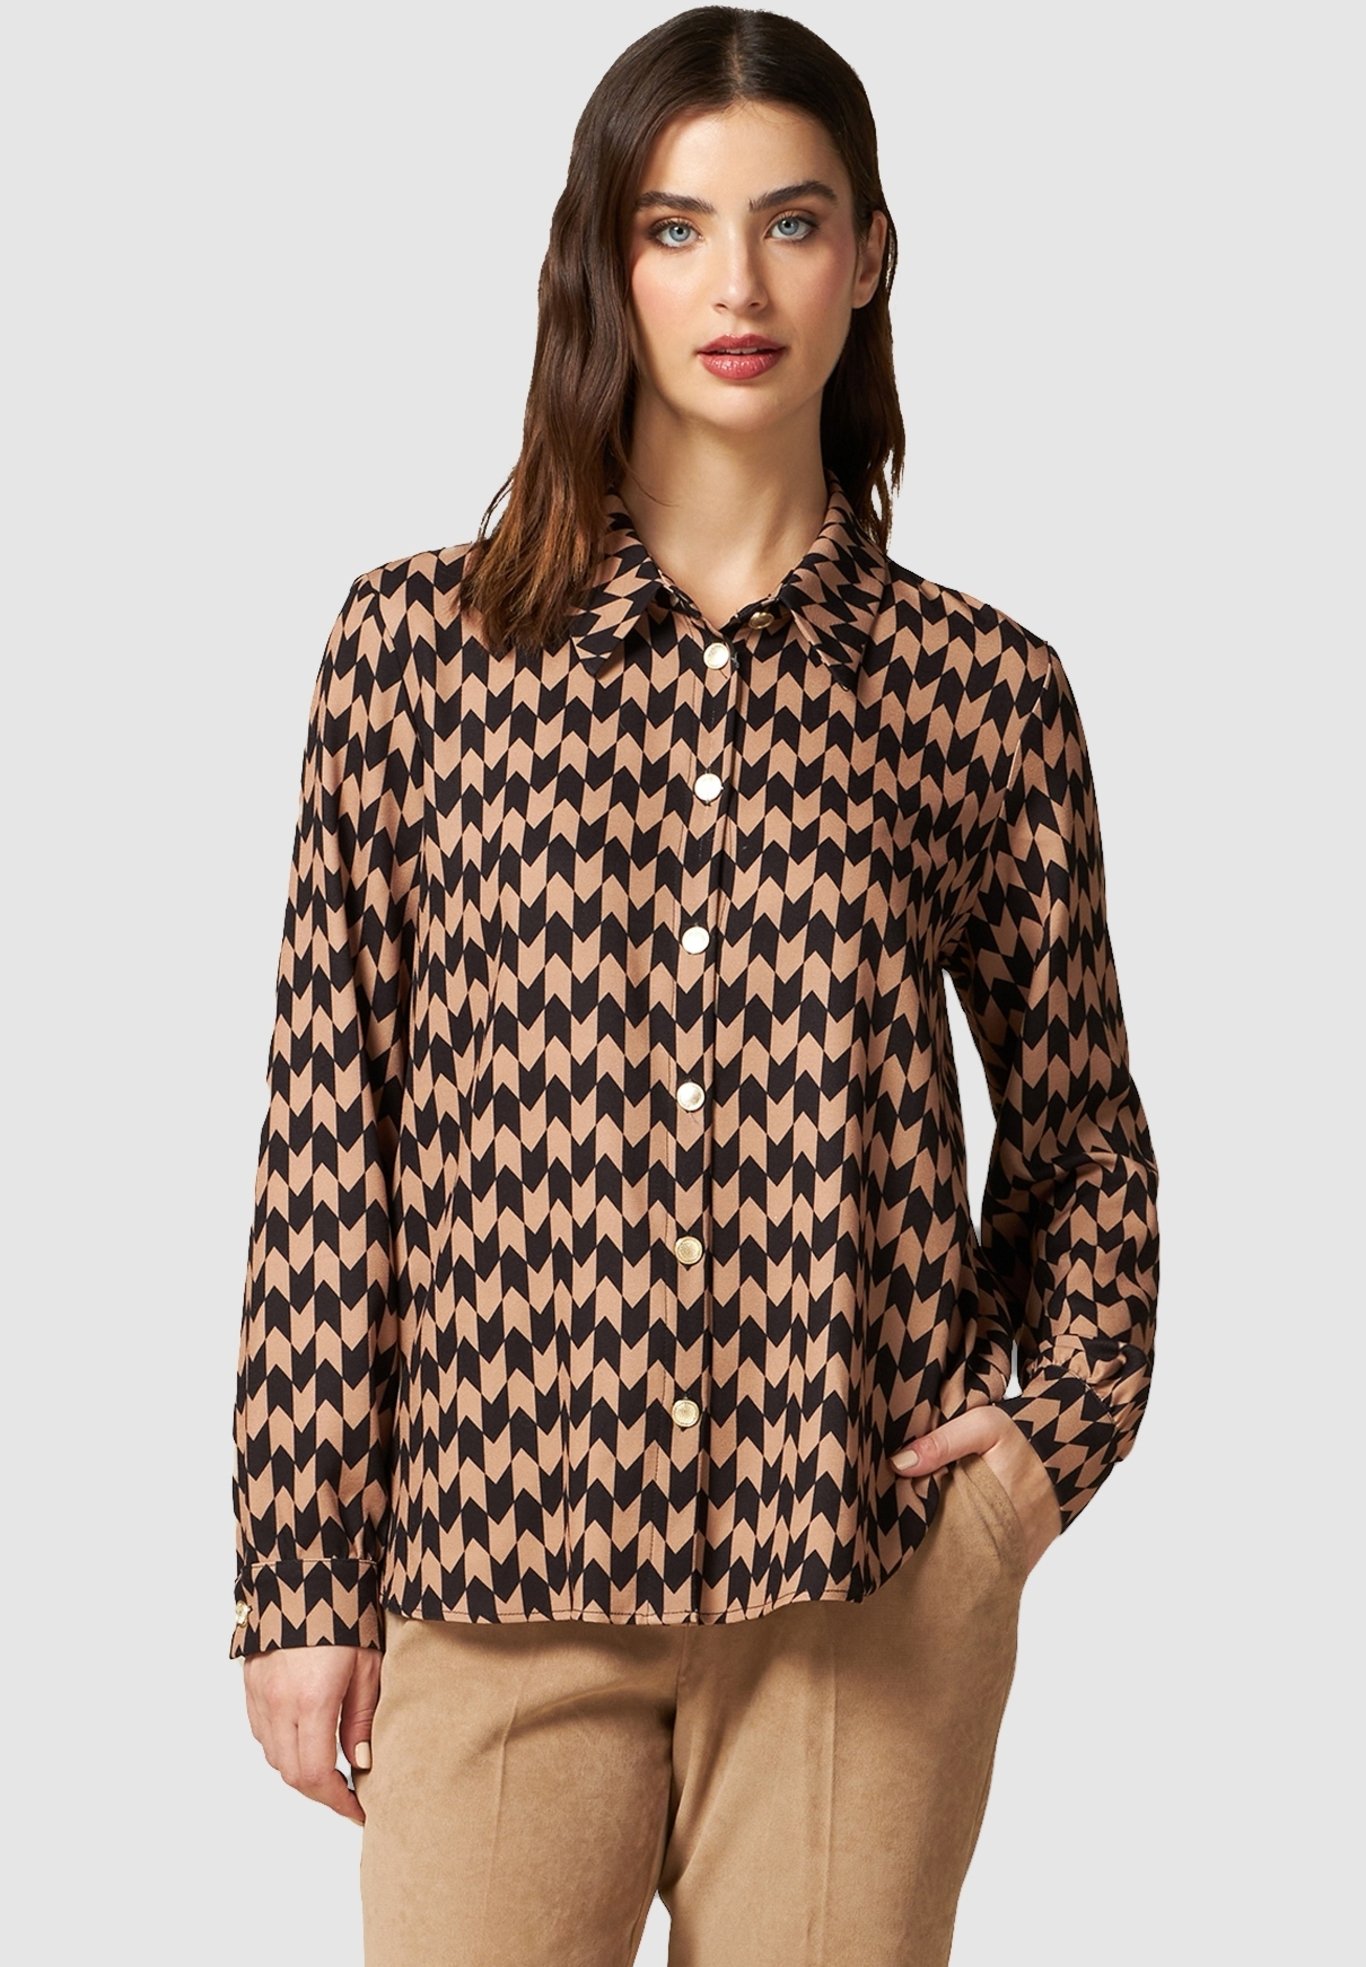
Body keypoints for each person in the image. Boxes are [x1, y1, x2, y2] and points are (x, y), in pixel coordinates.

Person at [229, 8, 1160, 1963]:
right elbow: (333, 1125)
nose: (736, 284)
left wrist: (1032, 1461)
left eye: (790, 224)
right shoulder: (417, 653)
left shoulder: (974, 692)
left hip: (858, 1600)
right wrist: (300, 1571)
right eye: (675, 228)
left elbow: (1078, 1138)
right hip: (492, 1574)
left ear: (867, 257)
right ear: (604, 260)